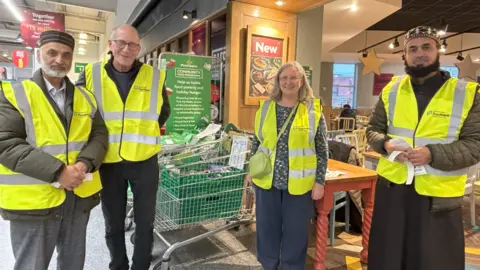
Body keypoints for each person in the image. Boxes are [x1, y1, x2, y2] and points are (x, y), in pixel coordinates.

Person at [367, 25, 480, 270]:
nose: (420, 53)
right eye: (413, 49)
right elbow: (373, 129)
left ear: (438, 50)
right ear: (404, 55)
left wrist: (433, 154)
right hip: (393, 191)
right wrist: (385, 145)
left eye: (426, 47)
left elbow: (475, 145)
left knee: (433, 261)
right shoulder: (392, 90)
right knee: (388, 258)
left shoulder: (467, 93)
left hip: (437, 197)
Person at [0, 30, 108, 270]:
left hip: (77, 197)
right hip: (33, 201)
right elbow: (5, 142)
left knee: (72, 264)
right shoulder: (14, 94)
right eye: (52, 53)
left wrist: (85, 164)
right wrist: (58, 172)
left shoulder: (85, 97)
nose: (59, 60)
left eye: (66, 54)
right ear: (40, 54)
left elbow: (99, 135)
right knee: (32, 264)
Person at [77, 24, 170, 270]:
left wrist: (142, 132)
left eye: (133, 45)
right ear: (110, 45)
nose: (127, 49)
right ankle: (118, 265)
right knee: (113, 222)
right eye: (121, 43)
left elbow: (163, 112)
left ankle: (141, 266)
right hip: (108, 163)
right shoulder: (90, 74)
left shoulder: (154, 75)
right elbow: (78, 114)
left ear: (139, 48)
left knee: (145, 221)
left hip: (145, 161)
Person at [247, 61, 328, 270]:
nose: (288, 82)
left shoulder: (313, 110)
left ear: (301, 81)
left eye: (293, 78)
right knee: (266, 230)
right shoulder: (266, 107)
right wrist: (250, 170)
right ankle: (269, 265)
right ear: (277, 81)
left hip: (300, 185)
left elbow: (322, 149)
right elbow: (257, 141)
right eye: (284, 78)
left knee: (296, 233)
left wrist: (319, 181)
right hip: (267, 181)